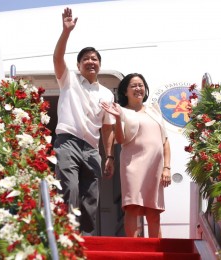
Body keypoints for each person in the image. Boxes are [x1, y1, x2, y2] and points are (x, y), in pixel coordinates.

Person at [53, 7, 115, 236]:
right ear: (78, 65)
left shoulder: (107, 93)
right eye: (86, 59)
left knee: (91, 194)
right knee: (70, 188)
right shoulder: (68, 80)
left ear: (99, 64)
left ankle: (87, 238)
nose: (91, 62)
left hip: (91, 148)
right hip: (67, 141)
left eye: (95, 59)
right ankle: (66, 235)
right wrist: (66, 32)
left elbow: (108, 128)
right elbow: (58, 57)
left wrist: (109, 155)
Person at [101, 73, 171, 238]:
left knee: (154, 211)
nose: (138, 89)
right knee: (132, 206)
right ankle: (133, 250)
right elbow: (120, 139)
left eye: (141, 85)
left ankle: (155, 254)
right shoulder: (121, 111)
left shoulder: (154, 110)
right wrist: (118, 120)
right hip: (132, 165)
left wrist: (166, 167)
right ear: (125, 91)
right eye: (133, 86)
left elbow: (165, 142)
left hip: (154, 167)